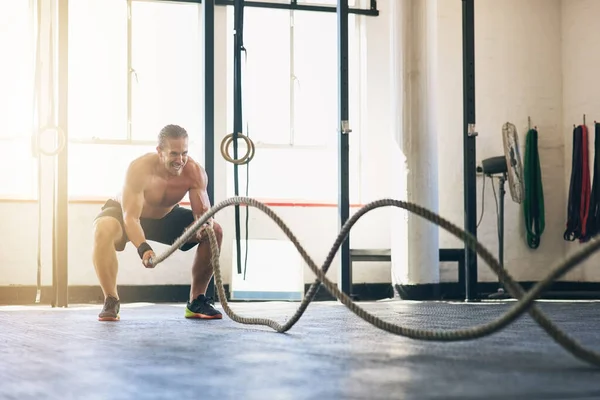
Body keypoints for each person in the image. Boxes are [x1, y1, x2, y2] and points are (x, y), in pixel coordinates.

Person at [91, 124, 223, 321]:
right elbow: (131, 217)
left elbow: (203, 216)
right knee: (103, 229)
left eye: (184, 153)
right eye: (174, 154)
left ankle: (197, 301)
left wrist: (202, 229)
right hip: (127, 213)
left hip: (165, 216)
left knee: (216, 232)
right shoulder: (139, 169)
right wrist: (144, 249)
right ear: (160, 152)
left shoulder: (195, 173)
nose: (180, 160)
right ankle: (111, 300)